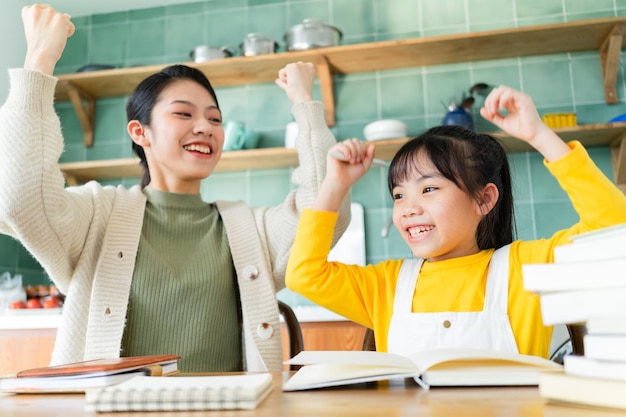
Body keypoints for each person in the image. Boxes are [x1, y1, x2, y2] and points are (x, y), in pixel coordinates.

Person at [0, 4, 350, 372]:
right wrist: (39, 61)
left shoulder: (252, 231)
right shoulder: (96, 217)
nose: (205, 126)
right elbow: (20, 199)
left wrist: (305, 106)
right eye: (184, 113)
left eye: (214, 118)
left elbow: (327, 213)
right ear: (140, 132)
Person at [286, 85, 626, 359]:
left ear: (484, 199)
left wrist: (538, 134)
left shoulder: (524, 269)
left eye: (429, 188)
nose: (407, 208)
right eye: (399, 195)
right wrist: (335, 184)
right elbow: (303, 274)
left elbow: (613, 224)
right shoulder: (386, 284)